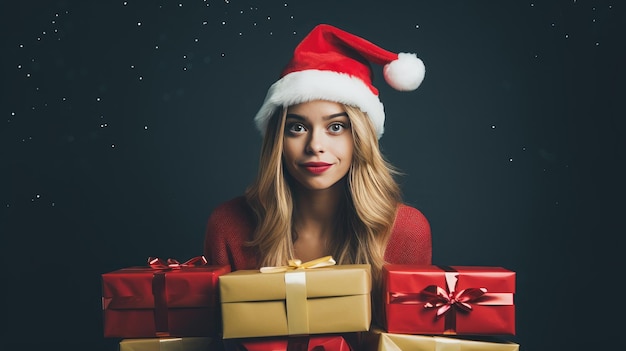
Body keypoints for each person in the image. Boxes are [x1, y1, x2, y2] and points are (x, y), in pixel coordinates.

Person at [203, 23, 431, 325]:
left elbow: (410, 339)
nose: (315, 146)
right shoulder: (229, 225)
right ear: (277, 140)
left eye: (336, 127)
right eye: (297, 127)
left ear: (360, 137)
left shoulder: (406, 231)